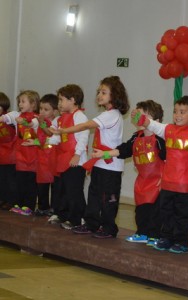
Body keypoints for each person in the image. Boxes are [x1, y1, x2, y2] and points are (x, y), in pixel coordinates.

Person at [52, 76, 130, 239]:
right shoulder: (107, 114)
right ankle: (92, 223)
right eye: (98, 92)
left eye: (104, 92)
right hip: (100, 163)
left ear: (114, 95)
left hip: (111, 166)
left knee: (108, 199)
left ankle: (109, 228)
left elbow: (87, 125)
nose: (99, 95)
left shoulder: (113, 114)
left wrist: (66, 131)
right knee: (94, 194)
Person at [131, 95, 188, 254]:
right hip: (167, 183)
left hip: (185, 185)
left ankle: (182, 241)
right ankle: (166, 238)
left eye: (182, 112)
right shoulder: (168, 130)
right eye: (175, 111)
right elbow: (155, 125)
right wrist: (144, 120)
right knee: (166, 212)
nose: (178, 115)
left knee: (182, 214)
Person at [92, 100, 165, 246]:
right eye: (137, 115)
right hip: (143, 180)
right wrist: (105, 154)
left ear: (156, 121)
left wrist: (165, 178)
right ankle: (142, 233)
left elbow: (168, 158)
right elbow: (124, 150)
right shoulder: (136, 137)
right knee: (141, 209)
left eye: (143, 115)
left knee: (155, 211)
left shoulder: (159, 139)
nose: (139, 118)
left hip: (158, 181)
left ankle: (155, 235)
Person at [48, 84, 89, 230]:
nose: (59, 104)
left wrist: (77, 154)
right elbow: (59, 137)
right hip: (65, 159)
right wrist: (50, 139)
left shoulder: (80, 116)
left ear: (72, 100)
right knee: (64, 189)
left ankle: (77, 219)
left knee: (74, 191)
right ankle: (64, 214)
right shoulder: (61, 119)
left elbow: (83, 136)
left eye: (61, 100)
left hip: (76, 161)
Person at [0, 90, 40, 215]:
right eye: (19, 102)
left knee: (31, 183)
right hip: (20, 157)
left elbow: (32, 124)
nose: (20, 104)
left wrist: (25, 122)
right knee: (20, 182)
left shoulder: (38, 119)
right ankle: (19, 204)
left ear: (33, 104)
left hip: (33, 157)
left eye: (23, 101)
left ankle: (29, 206)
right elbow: (7, 117)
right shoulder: (17, 115)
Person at [22, 94, 59, 216]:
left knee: (55, 185)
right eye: (41, 108)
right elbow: (32, 126)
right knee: (42, 184)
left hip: (53, 158)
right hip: (42, 157)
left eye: (46, 109)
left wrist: (42, 124)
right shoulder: (39, 120)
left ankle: (54, 208)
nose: (42, 111)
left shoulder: (57, 122)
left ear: (55, 111)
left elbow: (49, 136)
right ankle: (43, 207)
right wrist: (34, 141)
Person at [0, 92, 17, 210]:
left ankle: (10, 201)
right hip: (1, 155)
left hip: (10, 155)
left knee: (10, 180)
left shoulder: (9, 118)